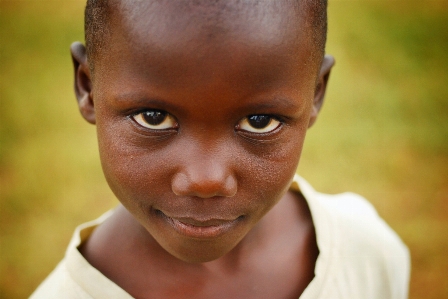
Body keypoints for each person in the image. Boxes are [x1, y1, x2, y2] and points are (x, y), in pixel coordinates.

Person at [30, 0, 410, 298]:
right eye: (153, 117)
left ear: (316, 93)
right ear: (88, 88)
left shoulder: (367, 253)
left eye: (259, 122)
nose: (206, 179)